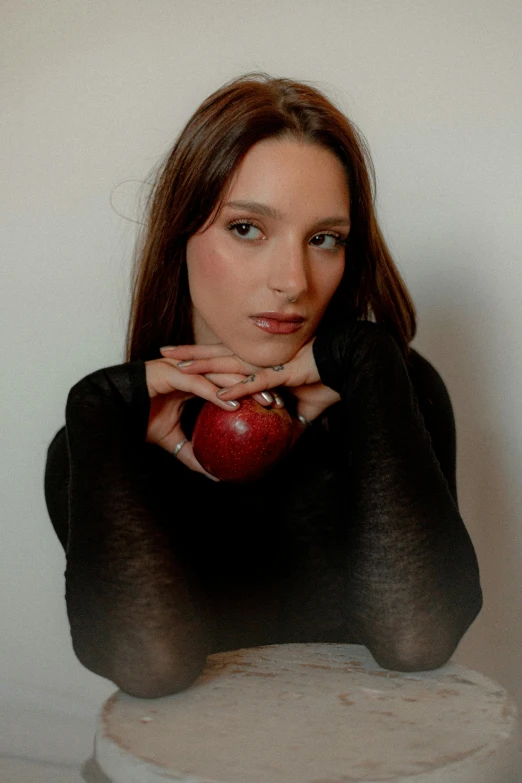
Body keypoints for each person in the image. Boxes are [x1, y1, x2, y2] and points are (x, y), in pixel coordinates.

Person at [44, 73, 482, 699]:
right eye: (247, 228)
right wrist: (97, 407)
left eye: (324, 239)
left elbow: (418, 637)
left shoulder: (392, 389)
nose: (292, 281)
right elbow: (149, 666)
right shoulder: (101, 437)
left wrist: (370, 358)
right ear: (179, 236)